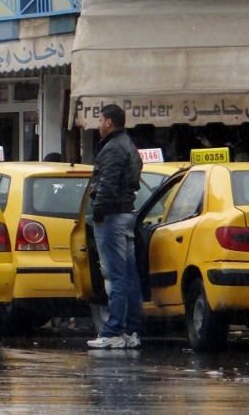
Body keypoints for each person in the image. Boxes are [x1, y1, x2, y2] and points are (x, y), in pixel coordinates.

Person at [86, 104, 143, 349]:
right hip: (127, 213)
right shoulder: (129, 145)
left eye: (100, 120)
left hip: (112, 217)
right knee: (130, 276)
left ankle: (112, 332)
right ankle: (131, 331)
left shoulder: (112, 148)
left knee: (115, 276)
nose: (98, 124)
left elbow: (106, 183)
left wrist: (98, 211)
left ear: (109, 122)